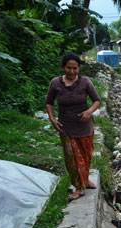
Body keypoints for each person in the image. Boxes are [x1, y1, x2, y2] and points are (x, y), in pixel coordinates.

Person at [45, 52, 101, 200]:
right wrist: (52, 119)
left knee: (86, 155)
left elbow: (97, 100)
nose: (72, 71)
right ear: (63, 67)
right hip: (66, 126)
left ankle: (85, 179)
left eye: (75, 68)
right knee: (72, 158)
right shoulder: (55, 83)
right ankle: (78, 187)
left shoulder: (85, 82)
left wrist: (89, 112)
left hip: (85, 126)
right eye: (68, 68)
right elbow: (49, 102)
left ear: (79, 68)